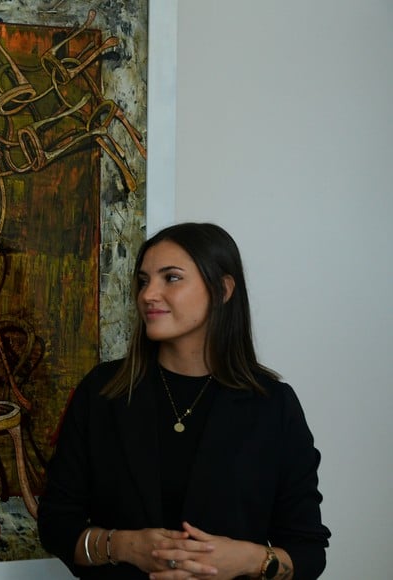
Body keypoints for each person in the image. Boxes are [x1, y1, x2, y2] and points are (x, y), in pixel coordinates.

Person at [37, 222, 330, 579]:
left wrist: (250, 559)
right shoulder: (103, 391)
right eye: (144, 280)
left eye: (171, 278)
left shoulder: (273, 406)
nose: (148, 294)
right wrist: (124, 546)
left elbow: (309, 552)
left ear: (222, 289)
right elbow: (55, 525)